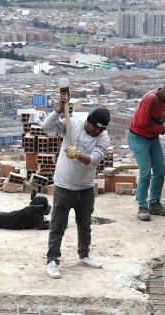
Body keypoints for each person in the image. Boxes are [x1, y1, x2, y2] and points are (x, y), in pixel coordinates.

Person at [41, 93, 111, 279]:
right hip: (64, 186)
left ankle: (84, 254)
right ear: (88, 121)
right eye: (94, 128)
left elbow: (95, 160)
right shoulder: (73, 124)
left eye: (99, 130)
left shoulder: (103, 138)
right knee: (58, 225)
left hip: (86, 188)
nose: (96, 132)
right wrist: (58, 110)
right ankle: (52, 260)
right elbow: (46, 127)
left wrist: (78, 155)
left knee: (84, 224)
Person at [128, 77, 165, 221]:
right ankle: (142, 206)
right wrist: (160, 129)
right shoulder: (151, 99)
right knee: (145, 173)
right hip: (139, 137)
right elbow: (143, 122)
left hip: (152, 138)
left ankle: (154, 203)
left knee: (160, 170)